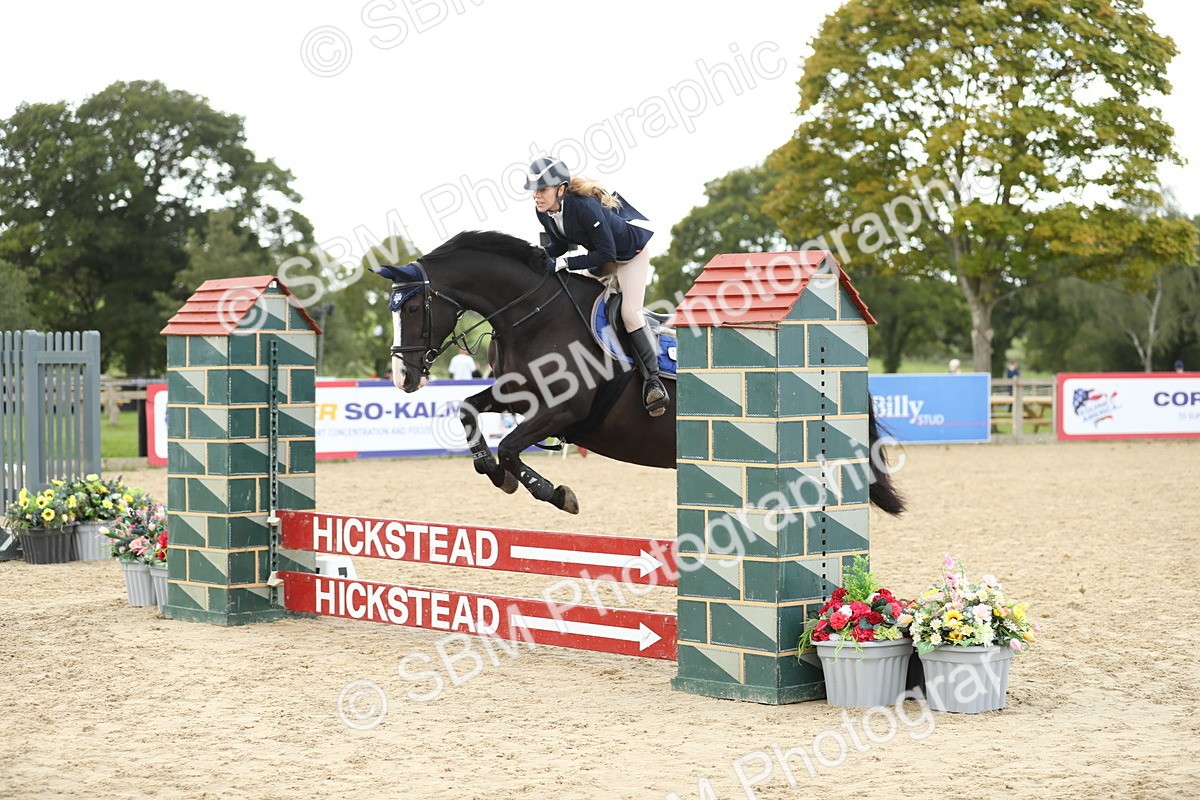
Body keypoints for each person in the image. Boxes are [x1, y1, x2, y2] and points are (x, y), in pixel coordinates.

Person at [526, 156, 667, 417]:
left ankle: (654, 382)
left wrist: (565, 263)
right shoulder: (543, 212)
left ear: (561, 189)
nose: (537, 195)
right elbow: (559, 245)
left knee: (629, 313)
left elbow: (606, 253)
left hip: (629, 256)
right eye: (534, 190)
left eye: (542, 189)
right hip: (602, 259)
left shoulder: (584, 207)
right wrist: (538, 256)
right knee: (579, 300)